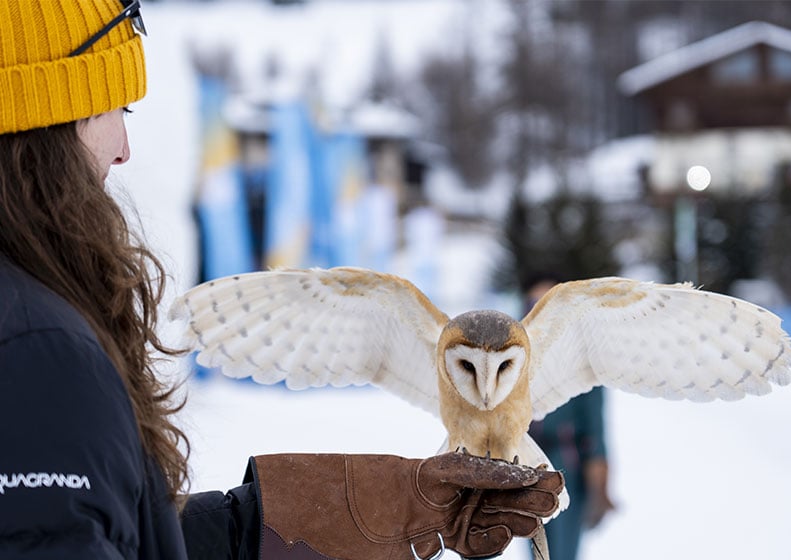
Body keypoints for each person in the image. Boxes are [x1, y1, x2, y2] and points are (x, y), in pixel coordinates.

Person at [0, 1, 563, 559]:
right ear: (50, 113)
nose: (124, 149)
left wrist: (384, 508)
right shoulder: (40, 350)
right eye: (118, 109)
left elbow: (121, 538)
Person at [523, 279, 616, 560]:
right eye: (532, 306)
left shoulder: (582, 357)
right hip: (528, 467)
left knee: (563, 552)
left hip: (568, 465)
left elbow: (596, 426)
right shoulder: (518, 356)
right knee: (536, 548)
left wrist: (599, 478)